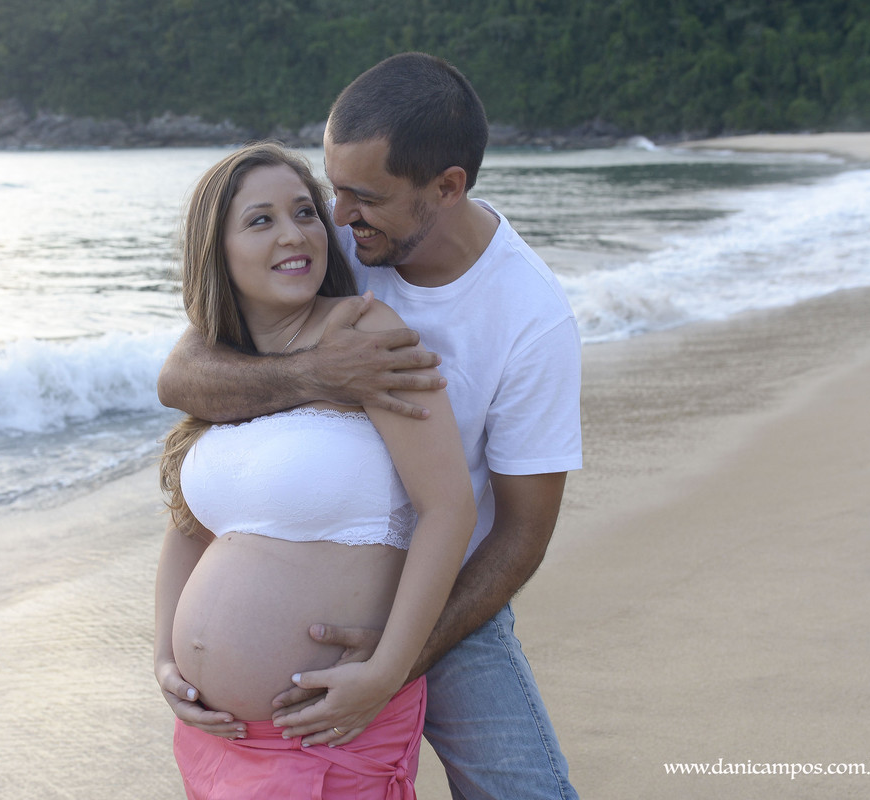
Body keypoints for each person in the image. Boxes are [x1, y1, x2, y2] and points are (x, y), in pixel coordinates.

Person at [158, 53, 584, 800]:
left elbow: (519, 533)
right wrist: (316, 376)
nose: (335, 215)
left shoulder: (530, 318)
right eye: (332, 189)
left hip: (452, 590)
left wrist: (400, 655)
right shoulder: (336, 249)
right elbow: (188, 370)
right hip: (251, 727)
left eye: (363, 196)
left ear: (446, 188)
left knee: (523, 791)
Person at [154, 141, 476, 798]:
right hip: (219, 742)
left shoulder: (364, 331)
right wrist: (165, 658)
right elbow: (189, 530)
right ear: (217, 250)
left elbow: (449, 508)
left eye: (304, 212)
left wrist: (389, 669)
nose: (295, 233)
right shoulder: (218, 373)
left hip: (331, 728)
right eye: (261, 220)